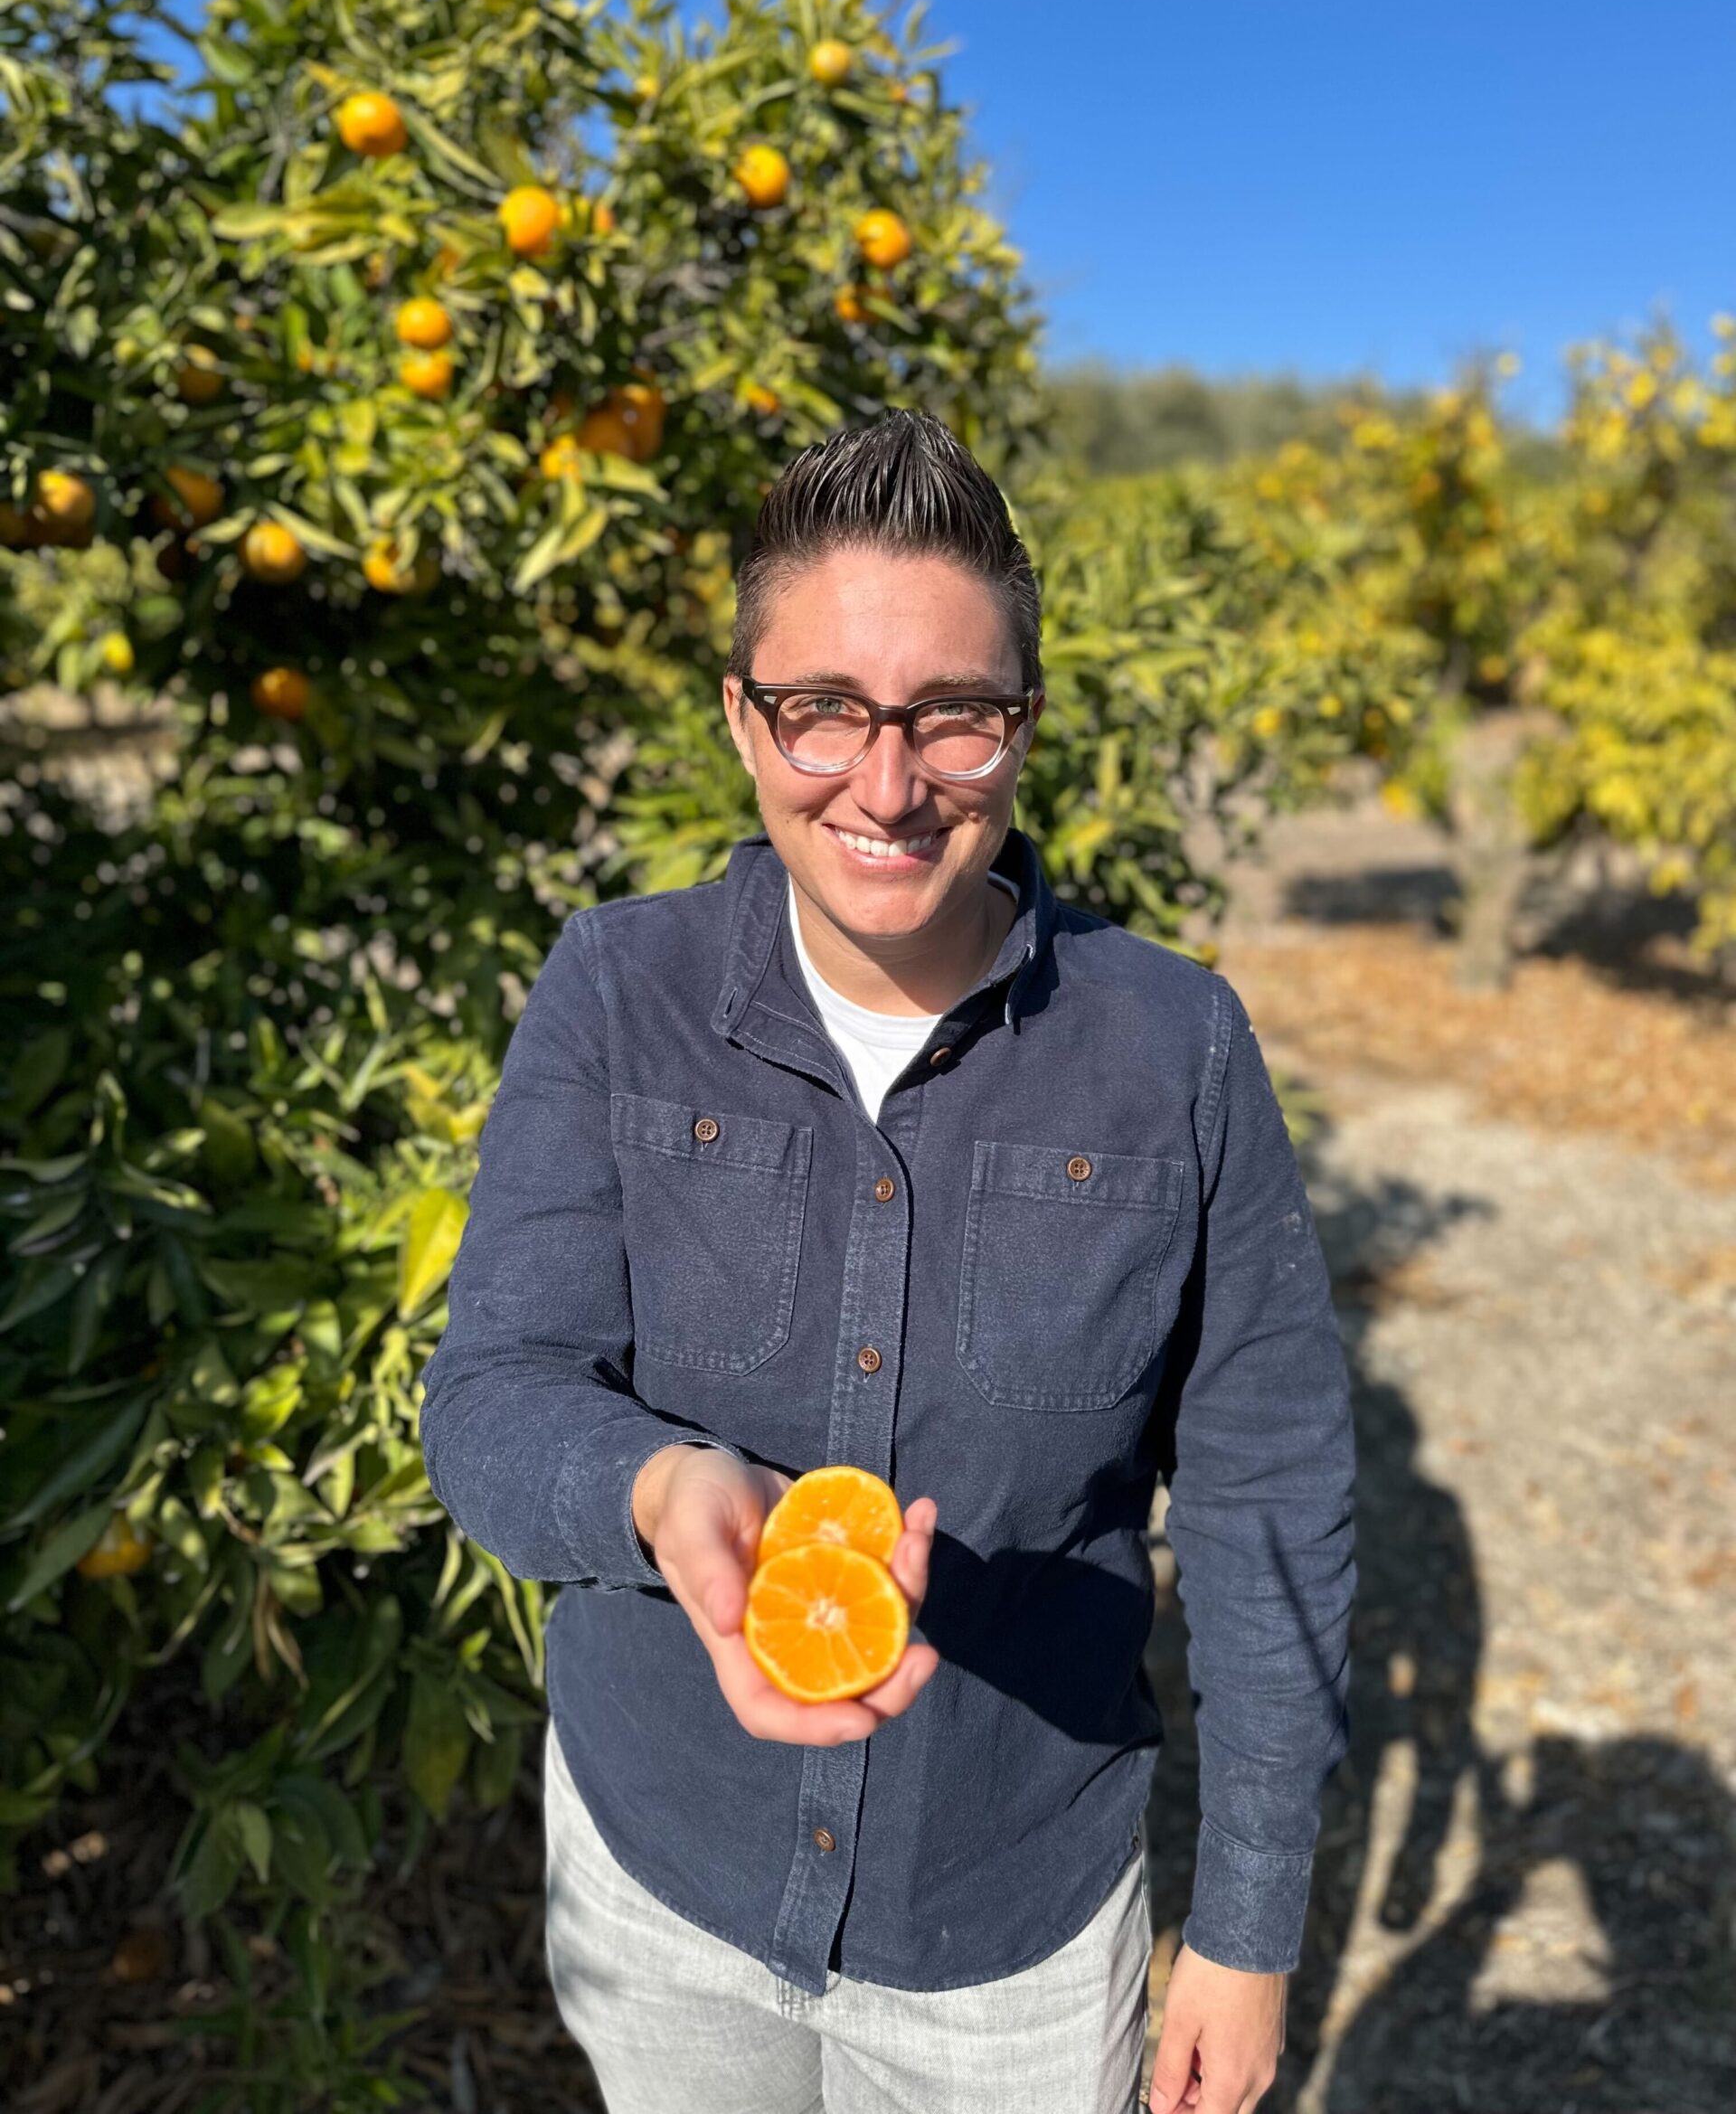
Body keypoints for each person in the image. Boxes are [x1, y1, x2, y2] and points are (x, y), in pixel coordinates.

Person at [420, 409, 1357, 2114]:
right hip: (662, 1884)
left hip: (1008, 1919)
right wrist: (652, 1487)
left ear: (1025, 727)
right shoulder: (620, 993)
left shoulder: (1173, 1046)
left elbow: (1267, 1490)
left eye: (956, 718)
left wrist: (1248, 1928)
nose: (887, 778)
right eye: (824, 710)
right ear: (741, 717)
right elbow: (492, 1396)